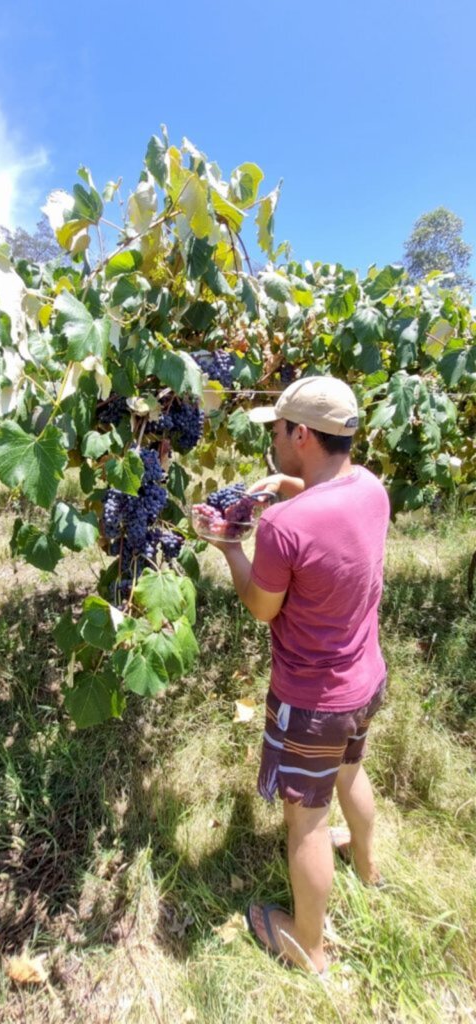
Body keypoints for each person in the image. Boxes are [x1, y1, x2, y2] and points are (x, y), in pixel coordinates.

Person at [208, 375, 390, 974]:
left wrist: (230, 545)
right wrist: (292, 485)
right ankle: (369, 870)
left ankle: (307, 949)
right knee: (350, 773)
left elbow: (263, 607)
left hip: (312, 702)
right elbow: (328, 505)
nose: (275, 439)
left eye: (280, 431)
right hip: (364, 681)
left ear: (302, 434)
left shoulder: (286, 529)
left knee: (306, 825)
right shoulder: (371, 488)